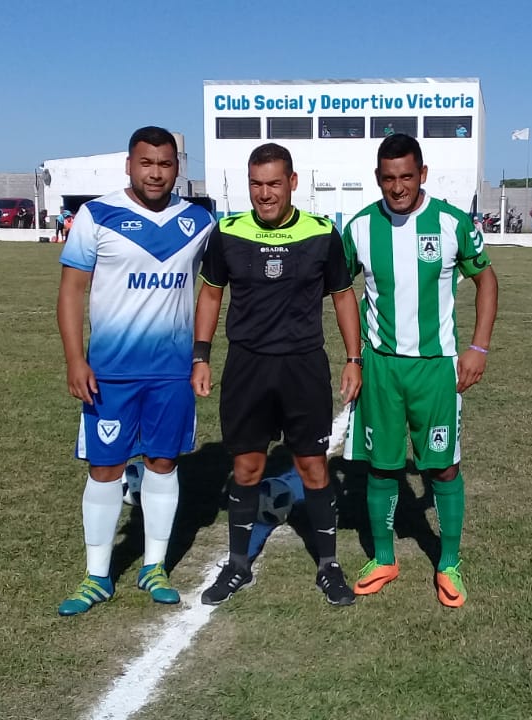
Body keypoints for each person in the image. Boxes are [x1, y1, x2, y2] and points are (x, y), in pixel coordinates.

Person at [54, 126, 216, 616]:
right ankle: (97, 575)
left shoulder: (200, 221)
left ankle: (154, 566)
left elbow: (213, 288)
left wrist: (200, 355)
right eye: (146, 163)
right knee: (104, 469)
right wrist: (75, 359)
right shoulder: (96, 215)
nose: (156, 173)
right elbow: (71, 291)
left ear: (177, 168)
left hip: (171, 373)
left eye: (165, 164)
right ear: (129, 165)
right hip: (110, 373)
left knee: (163, 463)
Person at [192, 142, 363, 606]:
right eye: (256, 184)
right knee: (246, 467)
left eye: (273, 184)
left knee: (312, 466)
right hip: (247, 366)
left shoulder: (321, 233)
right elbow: (211, 294)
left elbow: (343, 296)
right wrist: (201, 356)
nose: (264, 194)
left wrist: (354, 359)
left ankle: (328, 565)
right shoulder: (228, 232)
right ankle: (237, 564)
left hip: (302, 366)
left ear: (292, 183)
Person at [342, 133, 499, 608]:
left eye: (407, 176)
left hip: (436, 368)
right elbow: (339, 289)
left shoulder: (451, 223)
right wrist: (353, 357)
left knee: (443, 467)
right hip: (381, 367)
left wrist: (478, 347)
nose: (398, 187)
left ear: (422, 174)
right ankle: (384, 558)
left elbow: (486, 279)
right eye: (389, 178)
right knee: (382, 466)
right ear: (378, 178)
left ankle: (448, 563)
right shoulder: (360, 228)